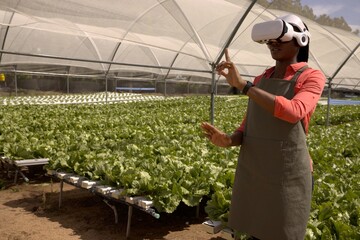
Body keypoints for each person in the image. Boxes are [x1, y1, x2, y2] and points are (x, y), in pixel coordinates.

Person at [201, 14, 325, 240]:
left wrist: (244, 86)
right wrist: (229, 140)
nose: (272, 45)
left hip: (288, 174)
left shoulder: (312, 77)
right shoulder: (261, 78)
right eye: (269, 41)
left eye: (280, 40)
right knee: (255, 232)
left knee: (285, 233)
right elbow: (248, 126)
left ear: (301, 40)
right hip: (257, 170)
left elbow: (294, 111)